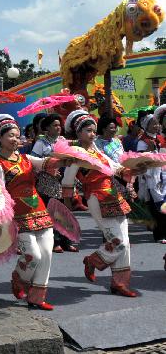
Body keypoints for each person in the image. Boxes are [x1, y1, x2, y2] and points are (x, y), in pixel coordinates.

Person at [0, 114, 64, 310]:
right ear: (0, 138)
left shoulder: (26, 158)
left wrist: (64, 158)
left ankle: (37, 297)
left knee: (46, 254)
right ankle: (19, 278)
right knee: (32, 255)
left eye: (17, 135)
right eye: (11, 135)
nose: (15, 139)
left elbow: (44, 162)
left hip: (39, 209)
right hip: (17, 214)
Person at [61, 110, 139, 297]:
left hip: (114, 195)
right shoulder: (76, 155)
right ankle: (92, 261)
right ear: (78, 133)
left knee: (125, 243)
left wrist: (135, 168)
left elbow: (114, 168)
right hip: (96, 197)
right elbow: (67, 181)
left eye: (94, 130)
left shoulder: (96, 151)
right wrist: (67, 208)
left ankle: (119, 283)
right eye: (88, 130)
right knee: (117, 242)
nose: (92, 134)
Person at [32, 114, 78, 252]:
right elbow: (34, 162)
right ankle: (55, 241)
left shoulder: (63, 140)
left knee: (66, 211)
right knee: (53, 211)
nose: (58, 128)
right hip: (48, 182)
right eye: (55, 125)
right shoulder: (41, 143)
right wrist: (49, 169)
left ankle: (67, 240)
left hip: (65, 180)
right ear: (47, 128)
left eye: (59, 125)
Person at [139, 107, 166, 243]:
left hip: (163, 173)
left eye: (157, 123)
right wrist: (149, 152)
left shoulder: (160, 138)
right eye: (152, 124)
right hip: (151, 177)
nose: (156, 126)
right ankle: (159, 234)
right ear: (146, 126)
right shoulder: (143, 141)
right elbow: (140, 160)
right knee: (157, 206)